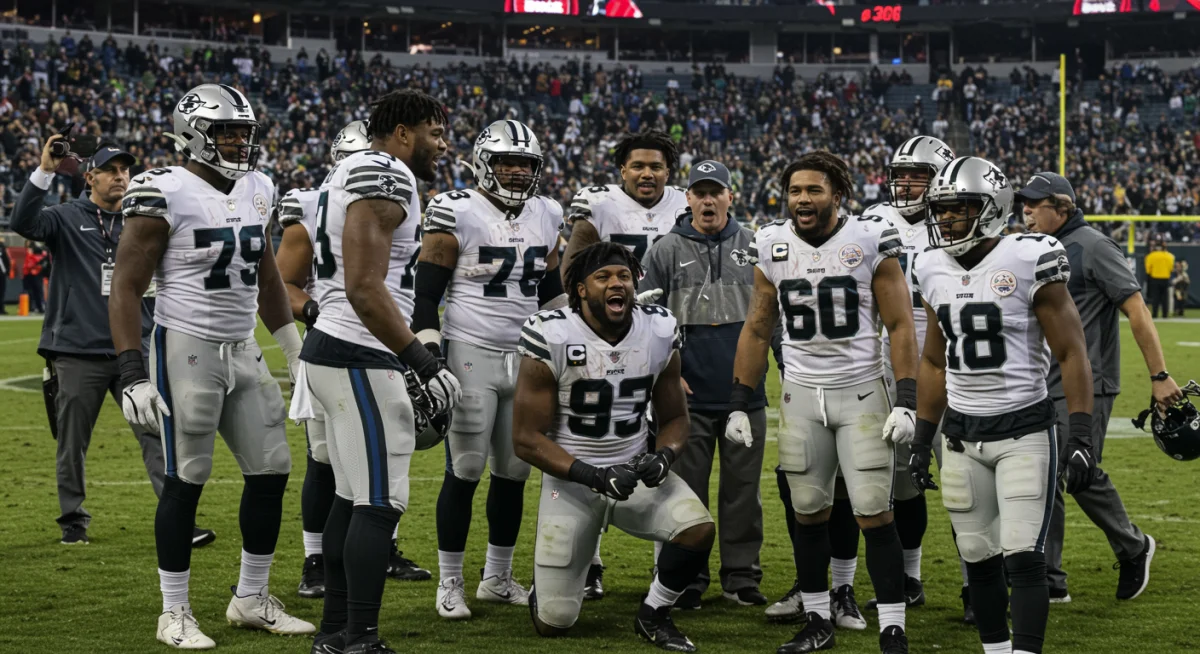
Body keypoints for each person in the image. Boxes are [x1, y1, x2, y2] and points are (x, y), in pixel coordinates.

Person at [109, 83, 314, 649]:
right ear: (193, 133)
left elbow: (267, 274)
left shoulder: (260, 187)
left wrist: (294, 352)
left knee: (272, 469)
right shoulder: (163, 190)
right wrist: (132, 370)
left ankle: (251, 597)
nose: (238, 142)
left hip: (243, 348)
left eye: (243, 132)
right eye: (226, 131)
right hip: (187, 350)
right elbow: (126, 286)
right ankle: (173, 610)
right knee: (186, 480)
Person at [728, 151, 919, 654]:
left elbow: (900, 324)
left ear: (838, 193)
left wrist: (905, 398)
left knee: (874, 511)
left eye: (814, 190)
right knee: (808, 510)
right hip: (800, 395)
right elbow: (757, 326)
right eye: (795, 191)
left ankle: (893, 626)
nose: (803, 200)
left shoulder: (870, 237)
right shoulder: (770, 243)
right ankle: (817, 620)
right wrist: (738, 401)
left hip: (860, 390)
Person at [910, 157, 1095, 654]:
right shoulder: (928, 264)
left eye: (958, 209)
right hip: (960, 435)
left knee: (1023, 558)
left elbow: (1072, 351)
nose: (946, 220)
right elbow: (932, 360)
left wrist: (1080, 433)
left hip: (1025, 432)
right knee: (977, 556)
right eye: (941, 210)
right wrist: (922, 437)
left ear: (992, 209)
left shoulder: (1029, 257)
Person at [299, 89, 460, 654]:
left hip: (335, 350)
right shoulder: (385, 174)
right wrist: (421, 357)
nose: (442, 146)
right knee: (378, 502)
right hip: (358, 351)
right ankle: (359, 637)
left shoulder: (344, 174)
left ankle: (335, 633)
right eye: (434, 134)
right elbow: (365, 287)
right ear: (402, 134)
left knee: (349, 497)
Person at [11, 136, 215, 548]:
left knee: (157, 435)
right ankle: (73, 521)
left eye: (125, 171)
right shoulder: (67, 217)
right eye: (111, 171)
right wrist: (45, 170)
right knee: (72, 443)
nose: (121, 177)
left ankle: (177, 519)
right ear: (90, 178)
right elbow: (23, 223)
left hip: (133, 351)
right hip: (76, 350)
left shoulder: (143, 219)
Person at [513, 241, 715, 653]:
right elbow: (525, 439)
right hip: (571, 481)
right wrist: (594, 475)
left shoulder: (658, 329)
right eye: (603, 276)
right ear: (581, 290)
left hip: (632, 470)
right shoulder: (550, 332)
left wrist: (665, 455)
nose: (615, 282)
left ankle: (654, 613)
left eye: (623, 275)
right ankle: (548, 587)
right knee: (555, 622)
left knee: (697, 529)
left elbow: (675, 417)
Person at [412, 119, 566, 620]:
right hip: (471, 352)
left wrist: (570, 339)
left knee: (514, 471)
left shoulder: (547, 212)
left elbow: (550, 289)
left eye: (526, 164)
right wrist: (429, 356)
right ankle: (451, 580)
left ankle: (497, 577)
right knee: (467, 468)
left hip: (527, 356)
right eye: (507, 162)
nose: (518, 172)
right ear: (484, 163)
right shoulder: (455, 208)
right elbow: (427, 293)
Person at [273, 120, 430, 602]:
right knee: (328, 463)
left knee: (365, 475)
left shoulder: (393, 201)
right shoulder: (313, 206)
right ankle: (316, 560)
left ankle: (378, 558)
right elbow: (282, 285)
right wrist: (314, 309)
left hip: (375, 342)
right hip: (342, 347)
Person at [1019, 171, 1183, 602]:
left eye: (1036, 204)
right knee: (1047, 475)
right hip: (1040, 380)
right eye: (1025, 203)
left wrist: (1160, 376)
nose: (1027, 212)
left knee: (1075, 469)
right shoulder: (1033, 250)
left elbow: (1138, 311)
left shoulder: (1093, 246)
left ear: (1064, 208)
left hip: (1088, 382)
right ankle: (1050, 578)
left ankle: (1131, 546)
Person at [562, 128, 690, 598]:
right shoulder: (598, 204)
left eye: (656, 166)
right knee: (598, 448)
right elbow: (572, 271)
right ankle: (589, 563)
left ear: (669, 171)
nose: (647, 173)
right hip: (606, 341)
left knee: (661, 457)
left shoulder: (685, 202)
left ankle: (664, 570)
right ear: (621, 170)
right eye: (638, 165)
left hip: (666, 339)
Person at [638, 160, 768, 609]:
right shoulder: (663, 250)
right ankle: (685, 579)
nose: (708, 200)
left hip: (745, 393)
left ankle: (740, 577)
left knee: (743, 495)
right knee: (682, 494)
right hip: (684, 398)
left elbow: (774, 318)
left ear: (731, 197)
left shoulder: (755, 246)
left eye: (716, 192)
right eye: (700, 192)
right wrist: (663, 378)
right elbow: (645, 321)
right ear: (687, 198)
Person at [854, 136, 971, 622]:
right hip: (890, 366)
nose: (905, 183)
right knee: (900, 483)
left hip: (953, 363)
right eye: (900, 174)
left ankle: (976, 586)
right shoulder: (870, 221)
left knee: (966, 486)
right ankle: (909, 577)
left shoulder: (960, 219)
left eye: (918, 175)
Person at [1143, 237, 1174, 319]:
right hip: (1165, 278)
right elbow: (1171, 269)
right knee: (1165, 298)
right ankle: (1165, 314)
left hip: (1154, 278)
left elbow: (1148, 270)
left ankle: (1155, 314)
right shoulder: (1170, 256)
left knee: (1155, 297)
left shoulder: (1150, 256)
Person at [22, 240, 46, 313]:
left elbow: (33, 263)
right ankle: (31, 307)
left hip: (35, 274)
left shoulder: (37, 255)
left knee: (38, 292)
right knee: (30, 292)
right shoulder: (28, 254)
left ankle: (40, 307)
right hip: (29, 274)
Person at [0, 236, 10, 313]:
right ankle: (1, 309)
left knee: (2, 291)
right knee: (2, 291)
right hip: (2, 272)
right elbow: (6, 260)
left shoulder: (2, 248)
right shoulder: (2, 248)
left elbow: (6, 260)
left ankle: (1, 308)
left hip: (2, 273)